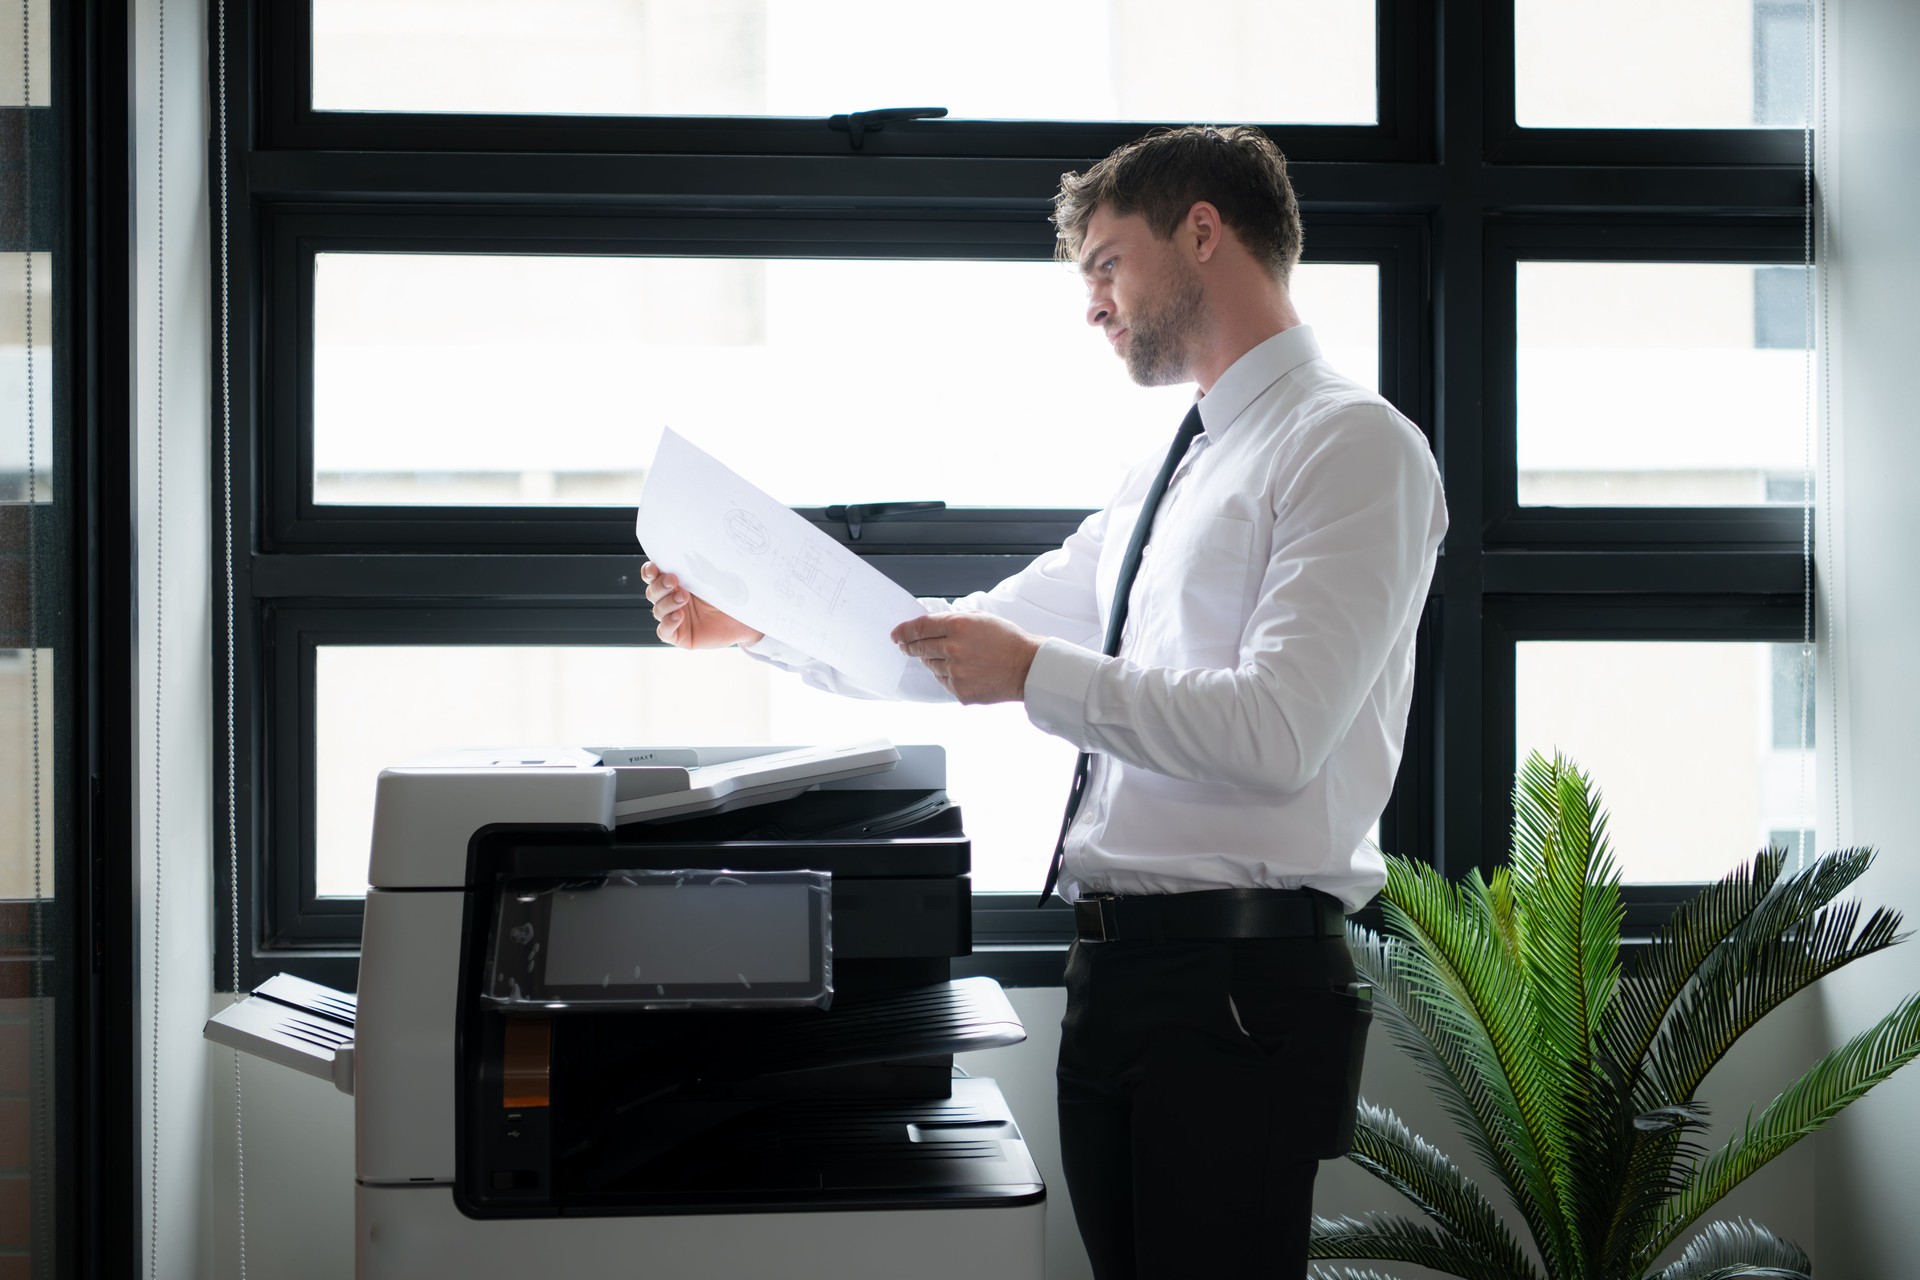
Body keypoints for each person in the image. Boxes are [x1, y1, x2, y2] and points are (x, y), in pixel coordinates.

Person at [640, 125, 1446, 1280]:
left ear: (1204, 233)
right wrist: (752, 622)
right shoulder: (1170, 469)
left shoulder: (1353, 445)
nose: (1094, 306)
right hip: (1119, 978)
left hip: (1238, 986)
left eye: (1108, 265)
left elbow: (1276, 731)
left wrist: (1032, 674)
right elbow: (960, 641)